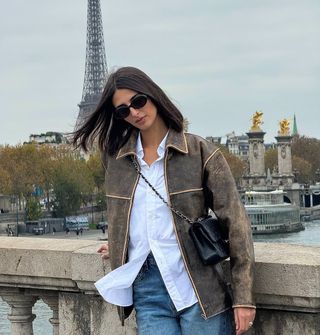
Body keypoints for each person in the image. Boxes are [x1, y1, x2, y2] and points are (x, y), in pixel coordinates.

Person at [72, 67, 256, 335]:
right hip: (148, 290)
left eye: (138, 101)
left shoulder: (200, 152)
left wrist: (244, 297)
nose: (134, 112)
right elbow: (130, 214)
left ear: (153, 95)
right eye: (123, 110)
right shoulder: (117, 162)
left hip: (199, 288)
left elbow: (237, 226)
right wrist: (122, 243)